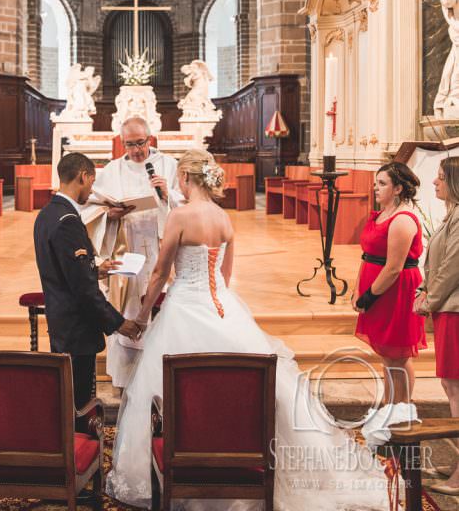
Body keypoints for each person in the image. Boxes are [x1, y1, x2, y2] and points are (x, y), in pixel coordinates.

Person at [107, 149, 389, 510]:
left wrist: (143, 316)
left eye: (180, 177)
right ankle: (237, 456)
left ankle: (185, 467)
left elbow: (161, 273)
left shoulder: (180, 215)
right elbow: (224, 276)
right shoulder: (224, 218)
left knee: (172, 390)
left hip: (184, 308)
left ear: (187, 179)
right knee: (239, 387)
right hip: (224, 307)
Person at [33, 152, 141, 417]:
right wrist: (118, 323)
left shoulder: (47, 214)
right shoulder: (69, 221)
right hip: (77, 327)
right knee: (80, 402)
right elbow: (83, 291)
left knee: (66, 393)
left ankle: (69, 445)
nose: (91, 190)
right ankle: (80, 451)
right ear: (84, 176)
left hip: (60, 318)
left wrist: (95, 267)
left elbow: (65, 269)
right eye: (92, 183)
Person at [81, 115, 183, 387]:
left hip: (161, 245)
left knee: (157, 304)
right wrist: (110, 213)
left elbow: (186, 200)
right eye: (129, 145)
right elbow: (93, 206)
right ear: (122, 143)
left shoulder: (169, 165)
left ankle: (158, 374)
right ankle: (127, 377)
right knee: (126, 306)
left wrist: (167, 195)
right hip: (125, 246)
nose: (136, 150)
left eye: (140, 143)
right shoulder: (113, 170)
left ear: (150, 139)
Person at [353, 162, 426, 404]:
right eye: (375, 183)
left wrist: (368, 297)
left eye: (382, 183)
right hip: (378, 290)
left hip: (396, 292)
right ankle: (389, 405)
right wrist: (356, 290)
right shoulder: (382, 214)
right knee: (387, 355)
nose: (375, 188)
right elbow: (367, 255)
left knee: (398, 356)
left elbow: (394, 268)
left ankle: (401, 410)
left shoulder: (402, 219)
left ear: (397, 189)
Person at [413, 157, 459, 496]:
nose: (434, 183)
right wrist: (425, 288)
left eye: (440, 178)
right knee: (450, 385)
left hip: (454, 310)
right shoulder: (452, 214)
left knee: (457, 389)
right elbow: (438, 262)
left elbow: (454, 266)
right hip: (447, 308)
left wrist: (429, 299)